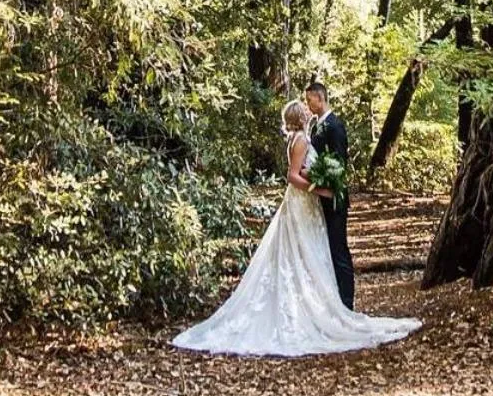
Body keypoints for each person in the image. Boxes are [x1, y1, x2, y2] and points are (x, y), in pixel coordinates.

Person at [171, 99, 421, 358]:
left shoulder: (299, 137)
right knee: (303, 250)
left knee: (306, 252)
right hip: (302, 203)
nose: (307, 110)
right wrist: (319, 188)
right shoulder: (300, 140)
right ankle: (307, 310)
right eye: (303, 109)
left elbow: (303, 169)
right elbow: (292, 175)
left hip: (304, 204)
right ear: (299, 116)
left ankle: (315, 303)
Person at [305, 78, 355, 308]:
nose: (308, 104)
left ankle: (347, 303)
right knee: (326, 250)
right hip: (320, 198)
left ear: (320, 97)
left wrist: (327, 185)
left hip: (334, 197)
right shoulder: (316, 125)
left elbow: (339, 162)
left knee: (338, 250)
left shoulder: (334, 125)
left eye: (309, 99)